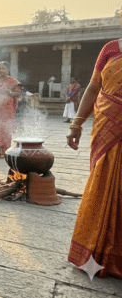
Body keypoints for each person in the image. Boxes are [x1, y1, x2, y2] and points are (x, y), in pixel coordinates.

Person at [66, 37, 122, 279]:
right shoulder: (110, 48)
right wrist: (76, 123)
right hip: (108, 122)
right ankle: (96, 252)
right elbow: (93, 86)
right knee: (103, 182)